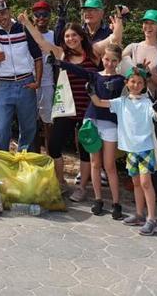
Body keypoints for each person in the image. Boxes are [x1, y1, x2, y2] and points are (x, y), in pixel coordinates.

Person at [20, 9, 122, 202]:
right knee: (54, 146)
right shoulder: (61, 54)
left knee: (85, 150)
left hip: (89, 109)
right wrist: (27, 23)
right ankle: (60, 182)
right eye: (67, 36)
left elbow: (114, 38)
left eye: (74, 35)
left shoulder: (93, 52)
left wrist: (118, 22)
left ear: (81, 36)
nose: (70, 39)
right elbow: (41, 43)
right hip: (66, 108)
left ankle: (82, 187)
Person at [58, 43, 126, 219]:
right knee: (95, 163)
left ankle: (116, 202)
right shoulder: (95, 75)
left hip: (110, 124)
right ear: (102, 59)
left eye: (113, 60)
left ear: (118, 62)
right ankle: (98, 199)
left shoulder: (119, 80)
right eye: (106, 59)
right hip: (92, 122)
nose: (109, 63)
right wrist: (60, 63)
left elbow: (111, 90)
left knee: (109, 165)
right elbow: (77, 70)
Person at [91, 66, 157, 235]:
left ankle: (152, 218)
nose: (136, 85)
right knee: (136, 183)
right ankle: (139, 214)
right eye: (133, 82)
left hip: (145, 148)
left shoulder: (147, 102)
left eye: (139, 82)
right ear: (126, 83)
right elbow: (99, 102)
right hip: (131, 149)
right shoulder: (121, 102)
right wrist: (91, 92)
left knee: (145, 183)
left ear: (144, 85)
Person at [122, 9, 157, 192]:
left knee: (154, 146)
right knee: (135, 145)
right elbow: (119, 64)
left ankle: (154, 191)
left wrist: (147, 73)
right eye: (145, 23)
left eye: (152, 23)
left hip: (155, 104)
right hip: (134, 104)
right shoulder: (134, 47)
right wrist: (135, 71)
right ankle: (137, 190)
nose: (148, 26)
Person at [0, 0, 42, 152]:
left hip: (26, 83)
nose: (1, 17)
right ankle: (3, 162)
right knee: (2, 128)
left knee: (28, 128)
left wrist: (37, 81)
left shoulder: (24, 29)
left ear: (9, 11)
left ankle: (23, 162)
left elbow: (38, 57)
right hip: (5, 85)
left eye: (3, 13)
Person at [30, 1, 55, 153]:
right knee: (31, 122)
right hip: (29, 82)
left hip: (47, 83)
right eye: (37, 14)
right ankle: (34, 156)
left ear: (49, 16)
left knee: (48, 123)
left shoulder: (54, 35)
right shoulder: (28, 33)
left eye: (44, 14)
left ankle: (50, 156)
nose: (41, 18)